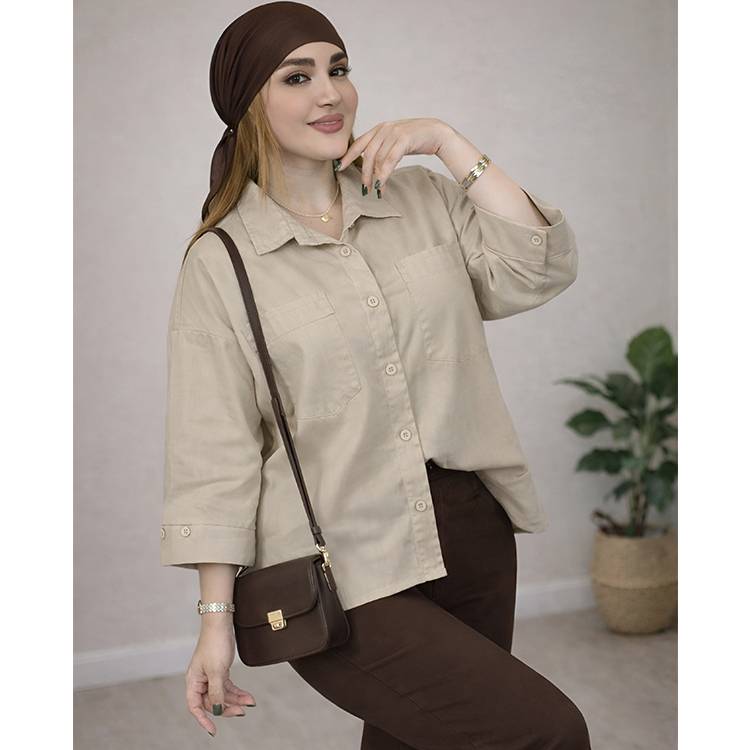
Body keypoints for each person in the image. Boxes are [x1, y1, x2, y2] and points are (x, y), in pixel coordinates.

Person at [160, 2, 591, 748]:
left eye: (338, 69)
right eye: (297, 77)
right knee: (546, 734)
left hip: (471, 529)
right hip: (340, 561)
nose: (330, 93)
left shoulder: (420, 198)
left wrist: (447, 143)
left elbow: (538, 266)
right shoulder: (222, 262)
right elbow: (213, 452)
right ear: (248, 104)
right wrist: (214, 622)